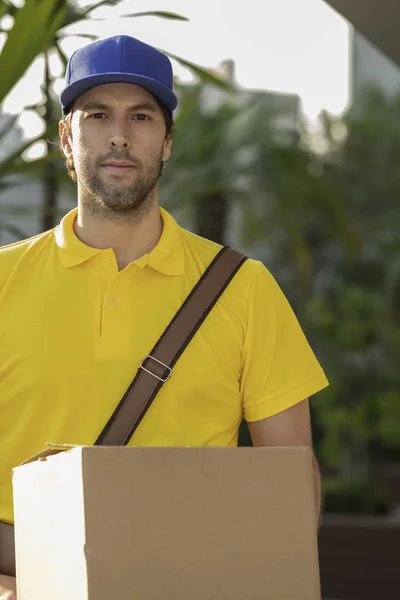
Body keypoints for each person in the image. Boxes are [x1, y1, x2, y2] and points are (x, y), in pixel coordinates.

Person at [0, 34, 329, 598]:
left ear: (168, 141)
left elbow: (291, 486)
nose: (119, 135)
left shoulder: (243, 289)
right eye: (97, 115)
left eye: (142, 116)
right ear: (66, 138)